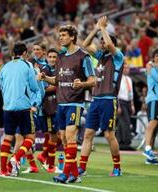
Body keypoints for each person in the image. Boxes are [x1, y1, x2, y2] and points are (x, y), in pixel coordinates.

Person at [38, 25, 96, 183]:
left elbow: (93, 80)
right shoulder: (61, 57)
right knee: (63, 138)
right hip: (61, 103)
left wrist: (82, 84)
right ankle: (75, 175)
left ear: (72, 37)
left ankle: (65, 173)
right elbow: (57, 80)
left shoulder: (83, 57)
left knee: (70, 136)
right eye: (59, 35)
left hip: (74, 103)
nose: (60, 37)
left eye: (63, 35)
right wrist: (44, 77)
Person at [79, 16, 124, 177]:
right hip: (95, 100)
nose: (101, 43)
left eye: (103, 42)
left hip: (108, 100)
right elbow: (84, 45)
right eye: (101, 42)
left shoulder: (118, 57)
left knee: (108, 134)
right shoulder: (100, 57)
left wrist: (104, 28)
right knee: (88, 134)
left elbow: (110, 44)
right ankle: (82, 167)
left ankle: (117, 167)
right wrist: (96, 29)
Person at [0, 42, 42, 177]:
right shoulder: (27, 65)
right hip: (23, 107)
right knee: (30, 137)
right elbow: (34, 87)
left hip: (8, 106)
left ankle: (3, 170)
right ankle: (16, 158)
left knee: (8, 138)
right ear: (24, 53)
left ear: (13, 53)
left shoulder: (4, 67)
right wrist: (38, 78)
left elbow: (2, 86)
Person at [36, 48, 61, 173]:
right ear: (47, 57)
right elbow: (43, 89)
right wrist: (59, 85)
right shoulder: (45, 70)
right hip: (48, 106)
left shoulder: (59, 69)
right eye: (50, 57)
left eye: (54, 57)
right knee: (53, 136)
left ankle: (44, 155)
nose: (52, 59)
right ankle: (51, 166)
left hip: (57, 105)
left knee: (59, 136)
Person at [143, 49, 158, 165]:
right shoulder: (151, 66)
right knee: (152, 123)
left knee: (156, 127)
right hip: (154, 99)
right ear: (153, 58)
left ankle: (150, 156)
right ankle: (147, 148)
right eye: (157, 55)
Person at [116, 64, 135, 150]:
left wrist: (132, 105)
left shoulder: (129, 79)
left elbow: (131, 93)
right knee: (126, 122)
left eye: (128, 68)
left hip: (127, 102)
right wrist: (118, 106)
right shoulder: (119, 78)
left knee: (122, 123)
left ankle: (120, 142)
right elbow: (117, 93)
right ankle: (126, 143)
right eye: (125, 68)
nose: (127, 69)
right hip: (121, 101)